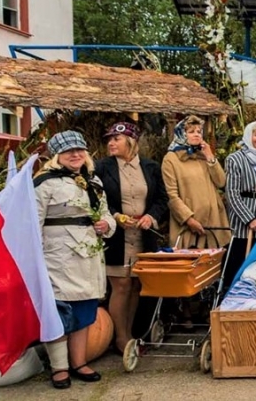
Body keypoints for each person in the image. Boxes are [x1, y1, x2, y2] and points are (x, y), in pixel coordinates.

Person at [34, 131, 116, 389]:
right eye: (69, 151)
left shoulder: (93, 182)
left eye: (79, 149)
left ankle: (79, 362)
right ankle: (60, 368)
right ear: (57, 155)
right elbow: (32, 221)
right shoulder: (44, 183)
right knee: (58, 313)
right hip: (57, 257)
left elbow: (106, 214)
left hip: (89, 256)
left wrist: (107, 224)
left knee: (83, 311)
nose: (76, 154)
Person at [95, 122, 168, 354]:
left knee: (136, 284)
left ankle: (131, 333)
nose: (111, 143)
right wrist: (115, 216)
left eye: (116, 139)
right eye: (109, 139)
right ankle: (121, 338)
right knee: (121, 284)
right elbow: (98, 200)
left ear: (130, 141)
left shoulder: (150, 167)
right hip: (117, 235)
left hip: (142, 235)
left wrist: (150, 217)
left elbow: (162, 199)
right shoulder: (102, 168)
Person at [162, 116, 231, 250]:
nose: (196, 135)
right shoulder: (171, 159)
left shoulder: (203, 156)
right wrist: (188, 219)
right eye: (191, 132)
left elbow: (221, 182)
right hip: (190, 226)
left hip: (213, 224)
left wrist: (210, 157)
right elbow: (171, 195)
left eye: (199, 132)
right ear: (182, 134)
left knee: (213, 267)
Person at [225, 120, 256, 288]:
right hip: (243, 221)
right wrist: (249, 219)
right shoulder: (234, 159)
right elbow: (231, 193)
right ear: (248, 136)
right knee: (240, 264)